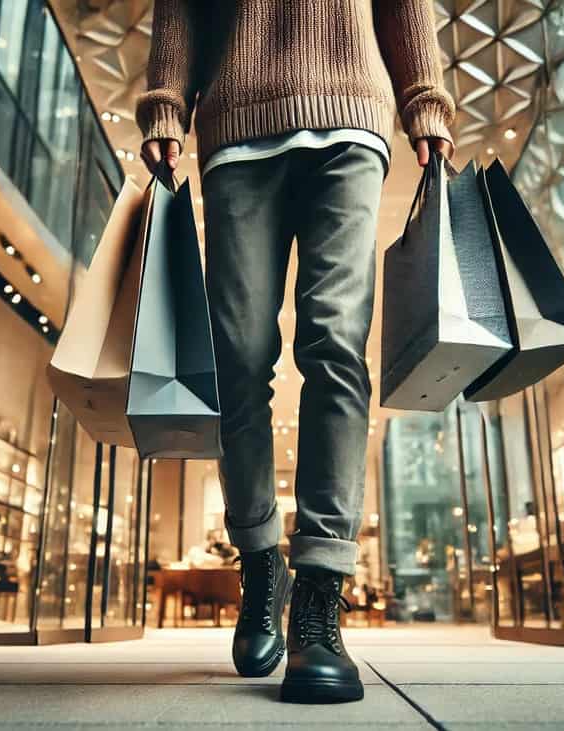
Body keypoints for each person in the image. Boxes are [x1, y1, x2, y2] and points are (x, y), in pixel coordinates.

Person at [137, 1, 454, 704]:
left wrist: (422, 96)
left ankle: (319, 597)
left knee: (336, 342)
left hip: (351, 110)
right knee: (239, 360)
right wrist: (165, 98)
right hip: (238, 123)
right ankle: (260, 561)